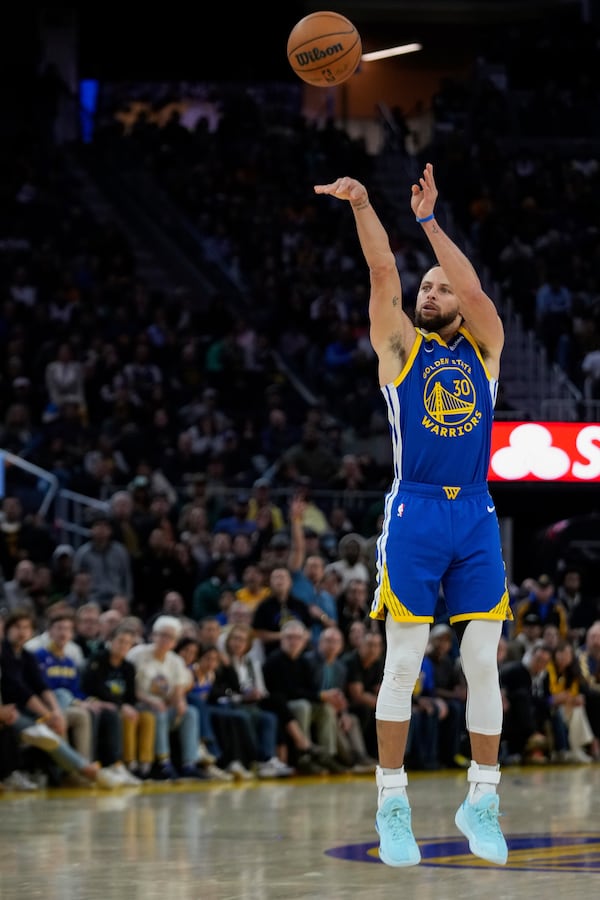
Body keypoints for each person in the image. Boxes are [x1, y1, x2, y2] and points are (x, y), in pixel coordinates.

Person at [314, 163, 511, 867]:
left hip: (477, 517)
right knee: (403, 665)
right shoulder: (401, 348)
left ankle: (481, 796)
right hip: (416, 514)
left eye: (439, 285)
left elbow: (478, 289)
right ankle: (391, 803)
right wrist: (366, 205)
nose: (429, 290)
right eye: (424, 285)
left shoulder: (486, 346)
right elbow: (379, 276)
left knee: (482, 660)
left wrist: (431, 224)